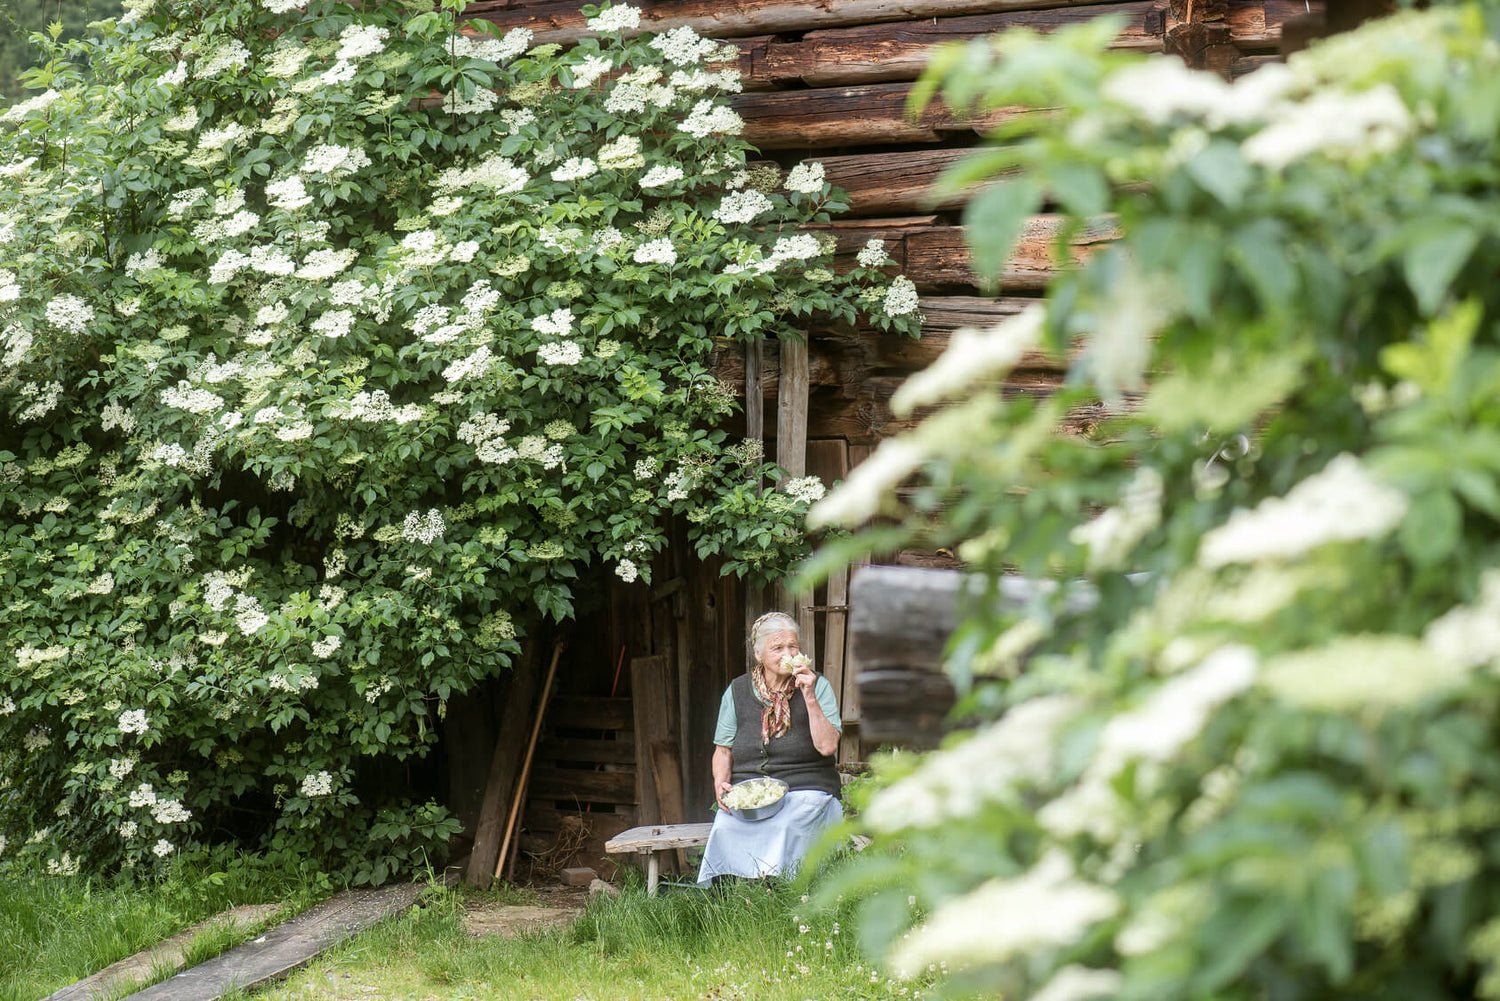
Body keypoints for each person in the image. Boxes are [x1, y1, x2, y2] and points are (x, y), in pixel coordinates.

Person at [696, 610, 843, 886]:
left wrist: (809, 697)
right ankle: (740, 896)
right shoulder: (738, 691)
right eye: (777, 648)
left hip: (807, 788)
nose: (787, 654)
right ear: (758, 653)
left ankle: (784, 892)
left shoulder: (817, 686)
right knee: (725, 825)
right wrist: (721, 783)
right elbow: (723, 751)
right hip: (753, 794)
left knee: (786, 824)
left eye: (793, 647)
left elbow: (827, 747)